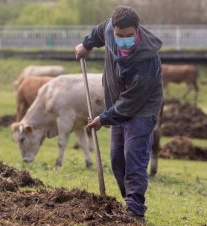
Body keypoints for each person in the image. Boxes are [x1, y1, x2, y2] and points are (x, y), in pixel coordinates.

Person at [75, 5, 163, 222]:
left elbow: (130, 103)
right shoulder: (109, 31)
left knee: (133, 156)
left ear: (137, 30)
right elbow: (99, 30)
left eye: (129, 36)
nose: (124, 40)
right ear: (114, 30)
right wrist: (86, 45)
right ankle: (129, 202)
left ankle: (135, 211)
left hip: (142, 108)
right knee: (117, 158)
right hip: (117, 104)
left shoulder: (146, 61)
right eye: (119, 35)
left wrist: (103, 119)